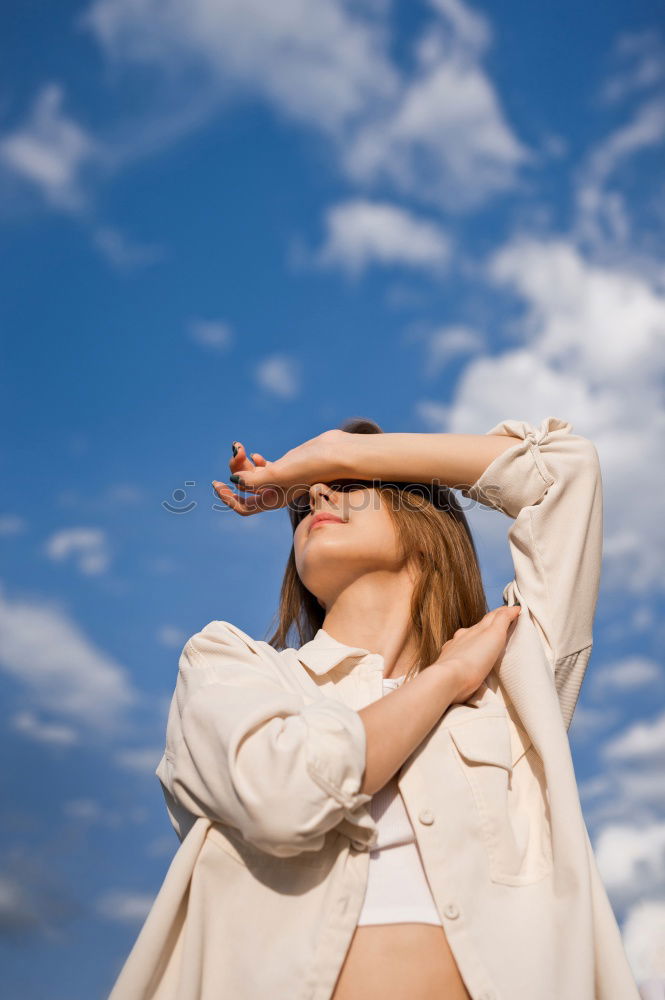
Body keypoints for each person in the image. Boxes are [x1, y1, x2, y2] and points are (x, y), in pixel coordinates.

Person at [106, 415, 642, 1000]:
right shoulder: (230, 666)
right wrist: (445, 678)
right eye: (310, 493)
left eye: (353, 483)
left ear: (424, 521)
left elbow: (565, 470)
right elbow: (283, 798)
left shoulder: (510, 684)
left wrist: (336, 451)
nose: (317, 493)